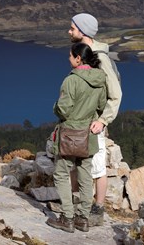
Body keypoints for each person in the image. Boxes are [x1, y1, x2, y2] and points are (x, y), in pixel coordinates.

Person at [69, 13, 123, 226]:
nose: (69, 31)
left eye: (72, 28)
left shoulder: (100, 58)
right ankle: (75, 206)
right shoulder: (83, 53)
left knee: (98, 167)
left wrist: (103, 120)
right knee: (74, 162)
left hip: (94, 124)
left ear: (82, 31)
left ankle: (97, 209)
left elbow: (115, 93)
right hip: (79, 121)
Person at [46, 42, 106, 233]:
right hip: (88, 135)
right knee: (86, 175)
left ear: (78, 58)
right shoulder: (100, 79)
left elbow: (63, 109)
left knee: (62, 173)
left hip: (69, 134)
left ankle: (67, 218)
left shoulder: (71, 80)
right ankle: (83, 219)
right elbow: (101, 106)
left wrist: (55, 106)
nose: (68, 59)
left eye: (70, 56)